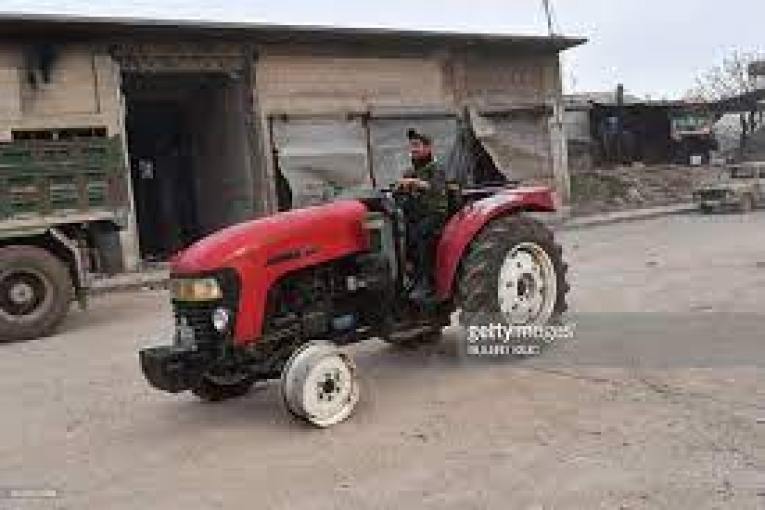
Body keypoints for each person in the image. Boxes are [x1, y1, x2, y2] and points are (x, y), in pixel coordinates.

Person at [396, 128, 449, 303]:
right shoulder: (410, 170)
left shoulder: (437, 169)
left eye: (417, 145)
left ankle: (426, 282)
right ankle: (408, 278)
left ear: (428, 148)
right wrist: (401, 187)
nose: (413, 149)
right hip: (416, 214)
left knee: (421, 235)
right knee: (403, 236)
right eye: (411, 146)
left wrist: (414, 183)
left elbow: (434, 188)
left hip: (435, 214)